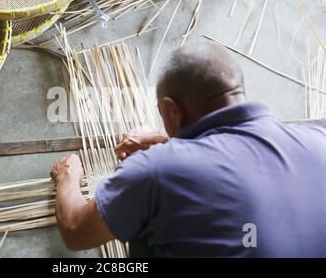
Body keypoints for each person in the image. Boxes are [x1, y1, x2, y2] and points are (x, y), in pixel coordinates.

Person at [50, 41, 326, 257]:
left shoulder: (154, 171)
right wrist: (179, 147)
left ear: (172, 110)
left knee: (145, 218)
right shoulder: (317, 139)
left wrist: (68, 176)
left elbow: (75, 230)